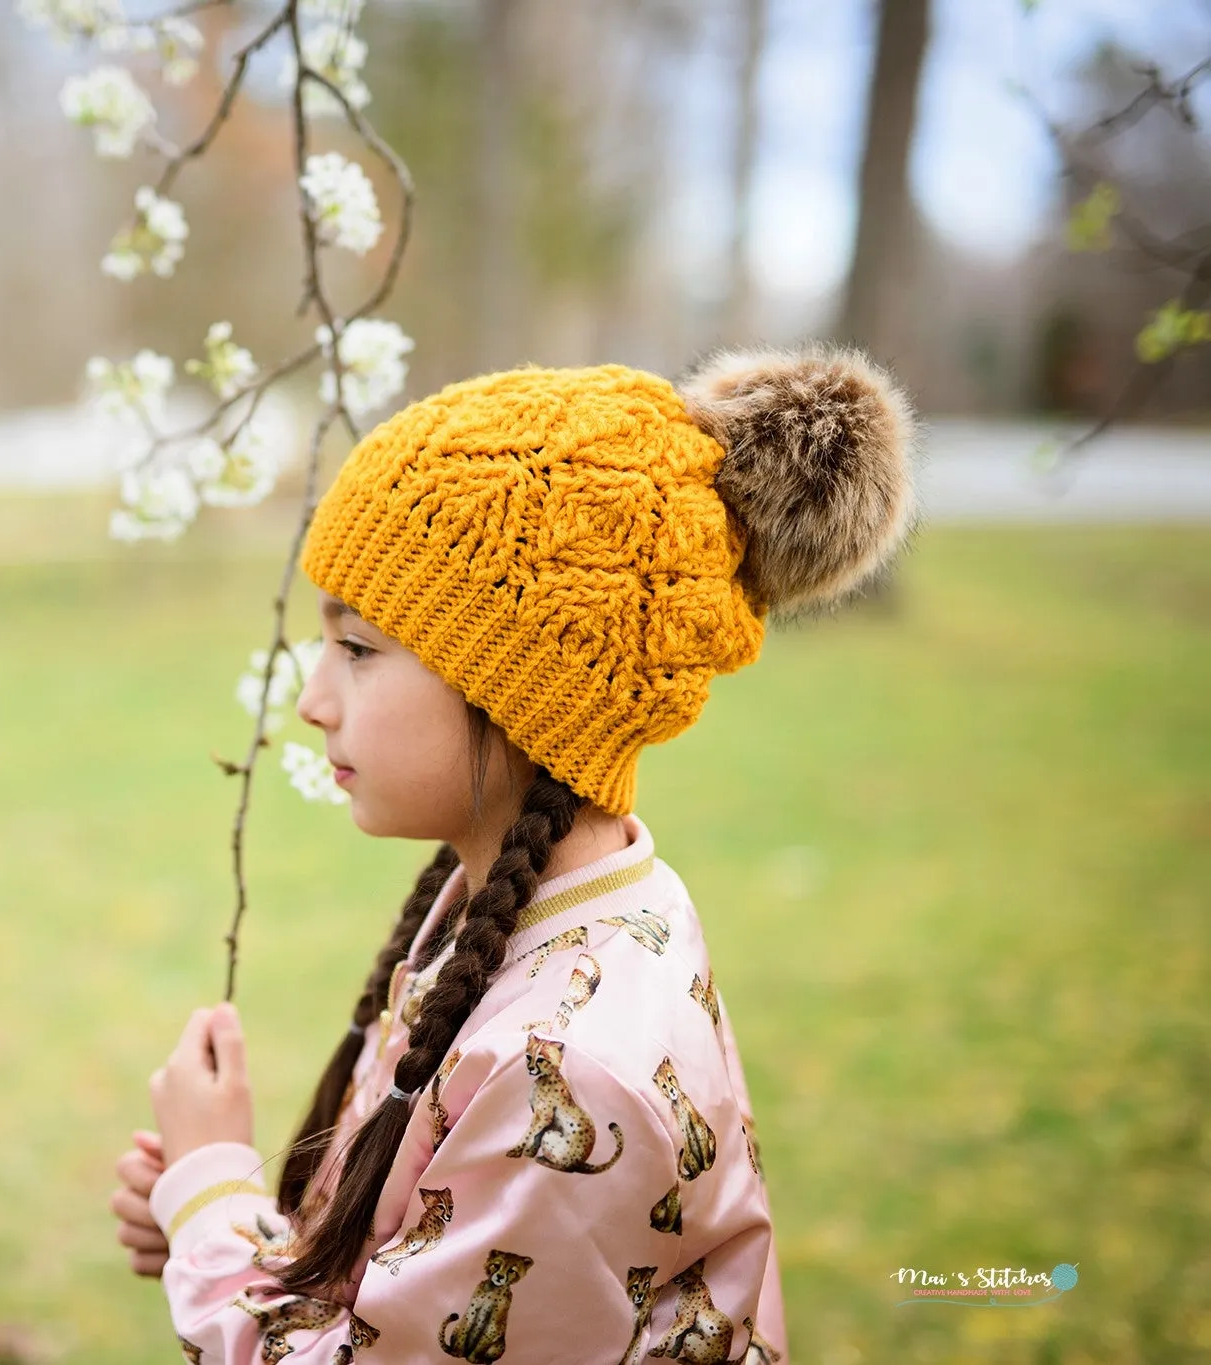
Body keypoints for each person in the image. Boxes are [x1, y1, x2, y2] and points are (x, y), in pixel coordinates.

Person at [108, 348, 918, 1363]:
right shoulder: (528, 907)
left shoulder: (575, 1068)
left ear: (526, 689)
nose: (312, 701)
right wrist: (221, 1233)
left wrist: (213, 1192)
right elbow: (408, 1273)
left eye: (357, 649)